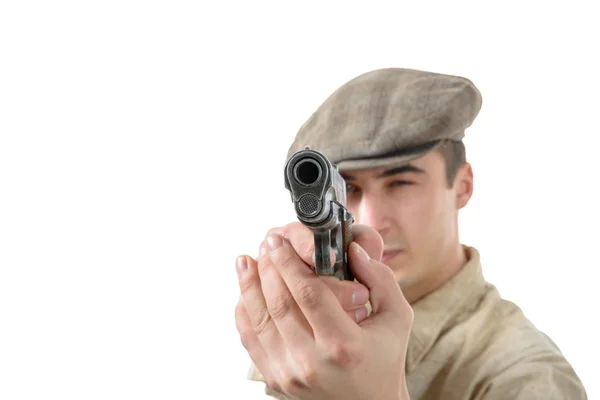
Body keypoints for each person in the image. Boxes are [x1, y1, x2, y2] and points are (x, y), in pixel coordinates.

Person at [233, 67, 587, 399]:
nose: (371, 220)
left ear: (462, 186)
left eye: (401, 183)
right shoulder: (311, 334)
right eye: (351, 188)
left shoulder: (526, 377)